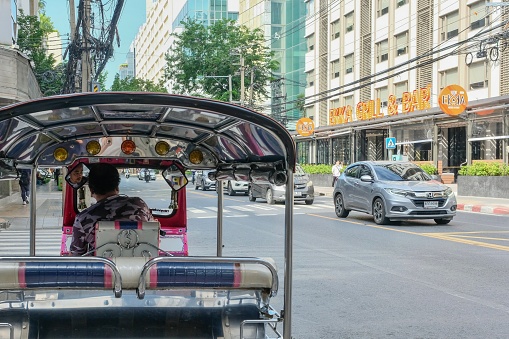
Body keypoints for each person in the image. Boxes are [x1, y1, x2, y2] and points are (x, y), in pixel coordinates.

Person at [70, 163, 155, 256]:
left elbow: (76, 256)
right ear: (117, 187)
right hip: (143, 267)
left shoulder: (83, 218)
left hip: (101, 269)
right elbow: (153, 231)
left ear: (91, 190)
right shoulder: (139, 204)